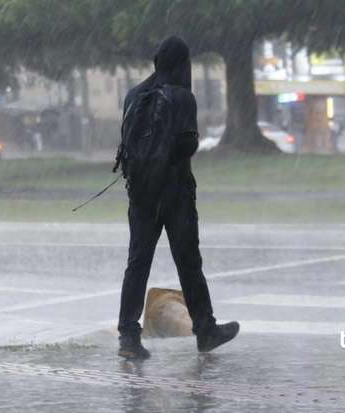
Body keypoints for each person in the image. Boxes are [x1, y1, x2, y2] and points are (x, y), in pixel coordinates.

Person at [116, 36, 239, 359]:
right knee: (188, 262)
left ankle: (128, 336)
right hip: (175, 194)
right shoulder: (183, 98)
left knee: (137, 263)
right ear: (182, 65)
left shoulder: (133, 96)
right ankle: (205, 329)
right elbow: (186, 146)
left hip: (141, 196)